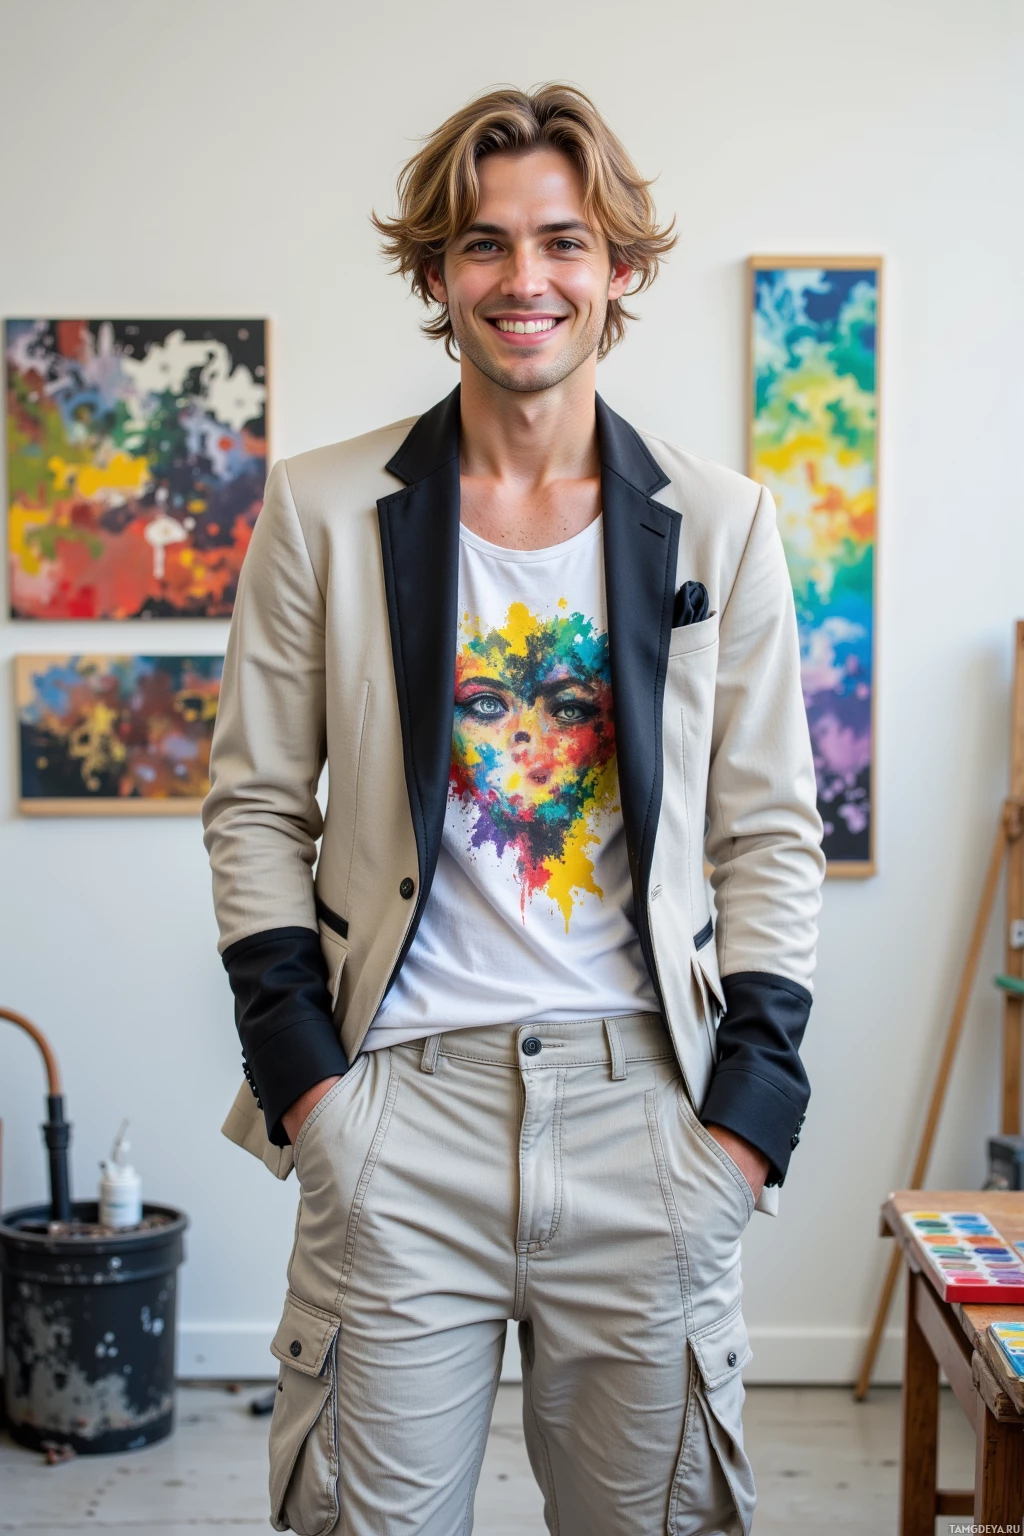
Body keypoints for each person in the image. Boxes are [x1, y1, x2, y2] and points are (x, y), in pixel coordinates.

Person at [203, 82, 824, 1536]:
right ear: (436, 274)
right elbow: (251, 810)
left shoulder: (723, 523)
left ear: (618, 269)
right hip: (396, 1117)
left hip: (648, 1116)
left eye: (562, 242)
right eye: (483, 246)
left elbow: (770, 832)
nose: (524, 280)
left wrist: (748, 1120)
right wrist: (312, 1090)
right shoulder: (320, 508)